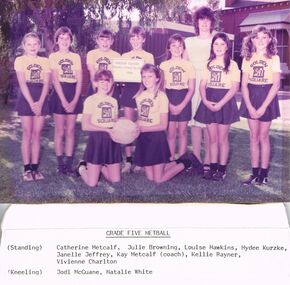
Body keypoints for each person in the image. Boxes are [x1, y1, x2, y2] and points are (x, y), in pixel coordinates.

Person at [134, 64, 195, 183]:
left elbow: (163, 125)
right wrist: (132, 126)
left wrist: (143, 129)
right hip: (143, 138)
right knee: (150, 177)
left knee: (158, 180)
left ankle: (186, 163)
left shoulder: (162, 97)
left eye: (150, 76)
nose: (146, 80)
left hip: (156, 138)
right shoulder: (139, 96)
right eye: (144, 77)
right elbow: (141, 118)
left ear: (157, 78)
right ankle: (176, 162)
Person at [194, 32, 240, 181]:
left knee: (222, 139)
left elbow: (234, 88)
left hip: (225, 102)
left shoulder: (232, 64)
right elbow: (202, 85)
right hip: (209, 100)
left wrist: (220, 103)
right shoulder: (208, 63)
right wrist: (205, 101)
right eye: (216, 44)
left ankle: (222, 170)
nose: (219, 47)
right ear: (212, 46)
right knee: (212, 139)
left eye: (222, 44)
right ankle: (212, 169)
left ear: (227, 47)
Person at [239, 26, 280, 185]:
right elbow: (244, 85)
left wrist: (263, 107)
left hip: (267, 97)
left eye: (264, 37)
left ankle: (263, 173)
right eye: (257, 37)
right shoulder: (247, 58)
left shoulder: (274, 58)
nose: (261, 41)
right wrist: (249, 106)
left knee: (263, 137)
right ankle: (254, 172)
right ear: (252, 40)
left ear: (269, 39)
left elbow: (276, 85)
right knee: (253, 137)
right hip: (251, 96)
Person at [184, 6, 216, 175]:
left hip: (210, 84)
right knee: (195, 125)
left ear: (211, 21)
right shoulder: (188, 42)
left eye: (207, 19)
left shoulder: (217, 40)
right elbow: (184, 66)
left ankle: (209, 161)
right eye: (200, 19)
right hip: (192, 84)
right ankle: (196, 160)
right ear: (196, 22)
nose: (204, 23)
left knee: (208, 125)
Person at [76, 70, 122, 187]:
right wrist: (106, 129)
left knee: (115, 181)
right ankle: (81, 168)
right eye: (101, 82)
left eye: (108, 81)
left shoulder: (114, 101)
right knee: (92, 184)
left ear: (112, 83)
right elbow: (85, 125)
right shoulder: (90, 100)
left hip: (112, 141)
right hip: (97, 140)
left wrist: (126, 128)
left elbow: (115, 123)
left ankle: (100, 166)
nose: (105, 85)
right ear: (95, 83)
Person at [14, 32, 50, 181]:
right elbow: (22, 83)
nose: (32, 47)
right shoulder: (19, 60)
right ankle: (27, 169)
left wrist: (40, 102)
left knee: (37, 134)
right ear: (24, 46)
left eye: (35, 43)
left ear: (39, 45)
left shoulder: (45, 61)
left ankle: (35, 169)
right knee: (27, 133)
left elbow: (47, 83)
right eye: (29, 44)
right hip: (26, 97)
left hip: (40, 95)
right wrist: (31, 103)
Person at [121, 26, 155, 173]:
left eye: (139, 38)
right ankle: (128, 161)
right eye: (133, 38)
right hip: (128, 90)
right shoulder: (124, 56)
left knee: (144, 125)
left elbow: (151, 77)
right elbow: (120, 77)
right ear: (130, 40)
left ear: (143, 39)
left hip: (144, 91)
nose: (136, 41)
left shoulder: (149, 56)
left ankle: (142, 160)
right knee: (128, 126)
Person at [49, 26, 83, 174]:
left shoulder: (75, 57)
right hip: (59, 93)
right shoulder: (53, 57)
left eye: (67, 38)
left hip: (73, 91)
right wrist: (63, 100)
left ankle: (68, 163)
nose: (64, 41)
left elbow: (80, 80)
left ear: (71, 40)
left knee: (70, 131)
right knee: (59, 131)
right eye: (61, 38)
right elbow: (55, 80)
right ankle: (60, 164)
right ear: (57, 40)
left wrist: (75, 100)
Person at [160, 33, 195, 160]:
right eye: (173, 46)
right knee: (171, 133)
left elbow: (191, 88)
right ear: (169, 48)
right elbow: (161, 88)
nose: (176, 48)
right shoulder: (163, 65)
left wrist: (182, 105)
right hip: (168, 98)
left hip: (184, 98)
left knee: (183, 132)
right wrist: (169, 104)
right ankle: (170, 159)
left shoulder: (189, 65)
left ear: (183, 49)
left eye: (179, 46)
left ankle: (181, 159)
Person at [86, 28, 121, 100]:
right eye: (102, 39)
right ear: (97, 41)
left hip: (111, 88)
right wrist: (96, 92)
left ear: (112, 41)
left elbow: (114, 77)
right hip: (95, 86)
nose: (105, 43)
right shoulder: (91, 54)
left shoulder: (117, 56)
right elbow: (92, 75)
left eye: (108, 40)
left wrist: (109, 94)